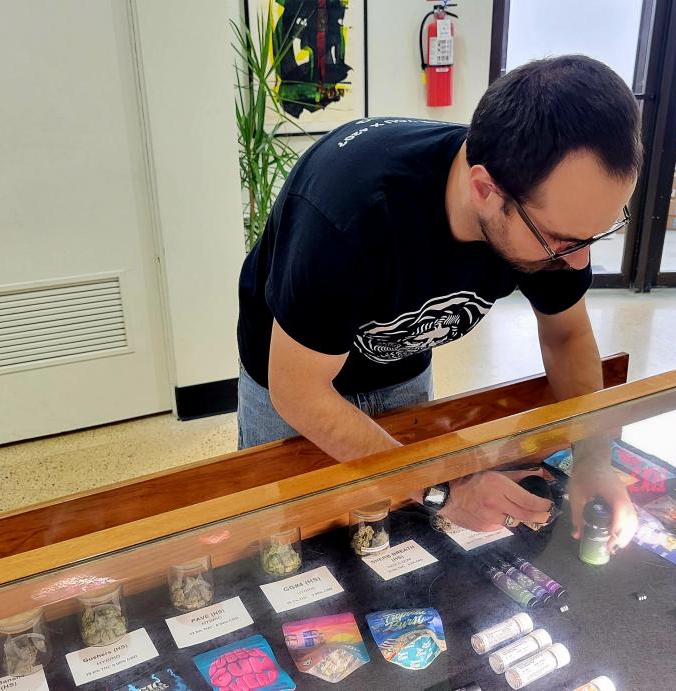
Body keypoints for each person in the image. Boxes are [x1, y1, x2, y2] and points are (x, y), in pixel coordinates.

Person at [236, 55, 640, 550]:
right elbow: (299, 392)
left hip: (400, 362)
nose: (578, 264)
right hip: (292, 377)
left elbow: (567, 334)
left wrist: (593, 458)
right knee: (286, 543)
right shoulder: (349, 214)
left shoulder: (548, 214)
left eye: (596, 234)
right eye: (561, 240)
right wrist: (445, 490)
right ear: (484, 190)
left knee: (399, 541)